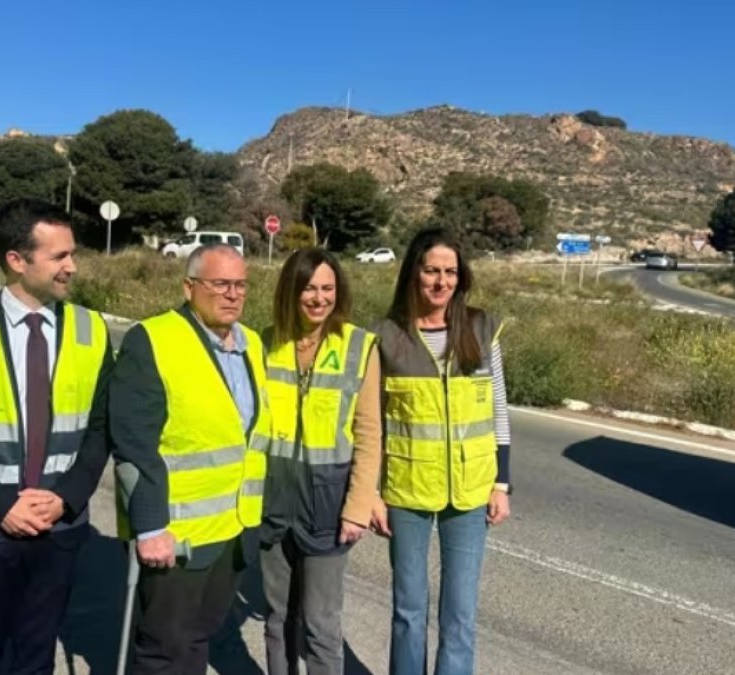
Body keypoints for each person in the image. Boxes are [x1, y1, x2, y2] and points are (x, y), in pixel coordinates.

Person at [0, 199, 113, 674]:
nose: (71, 266)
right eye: (59, 256)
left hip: (58, 528)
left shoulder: (91, 329)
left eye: (72, 254)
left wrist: (66, 498)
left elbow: (100, 429)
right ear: (16, 260)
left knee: (36, 658)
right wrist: (1, 507)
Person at [110, 243, 271, 675]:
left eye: (240, 285)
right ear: (189, 286)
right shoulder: (155, 339)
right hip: (176, 535)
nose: (233, 294)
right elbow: (133, 442)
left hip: (232, 530)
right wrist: (150, 527)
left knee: (198, 639)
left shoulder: (251, 343)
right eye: (220, 283)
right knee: (164, 649)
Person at [372, 227, 513, 675]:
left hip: (471, 494)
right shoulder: (386, 338)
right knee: (409, 612)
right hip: (407, 492)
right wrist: (372, 495)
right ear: (414, 273)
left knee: (460, 617)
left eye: (450, 272)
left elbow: (498, 413)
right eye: (431, 270)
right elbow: (371, 425)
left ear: (461, 276)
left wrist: (502, 483)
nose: (441, 282)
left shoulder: (481, 328)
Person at [259, 248, 382, 675]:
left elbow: (369, 435)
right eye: (309, 287)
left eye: (327, 288)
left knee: (321, 624)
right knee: (277, 621)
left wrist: (359, 507)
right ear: (291, 291)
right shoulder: (265, 342)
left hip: (328, 507)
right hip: (272, 504)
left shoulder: (359, 347)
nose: (318, 298)